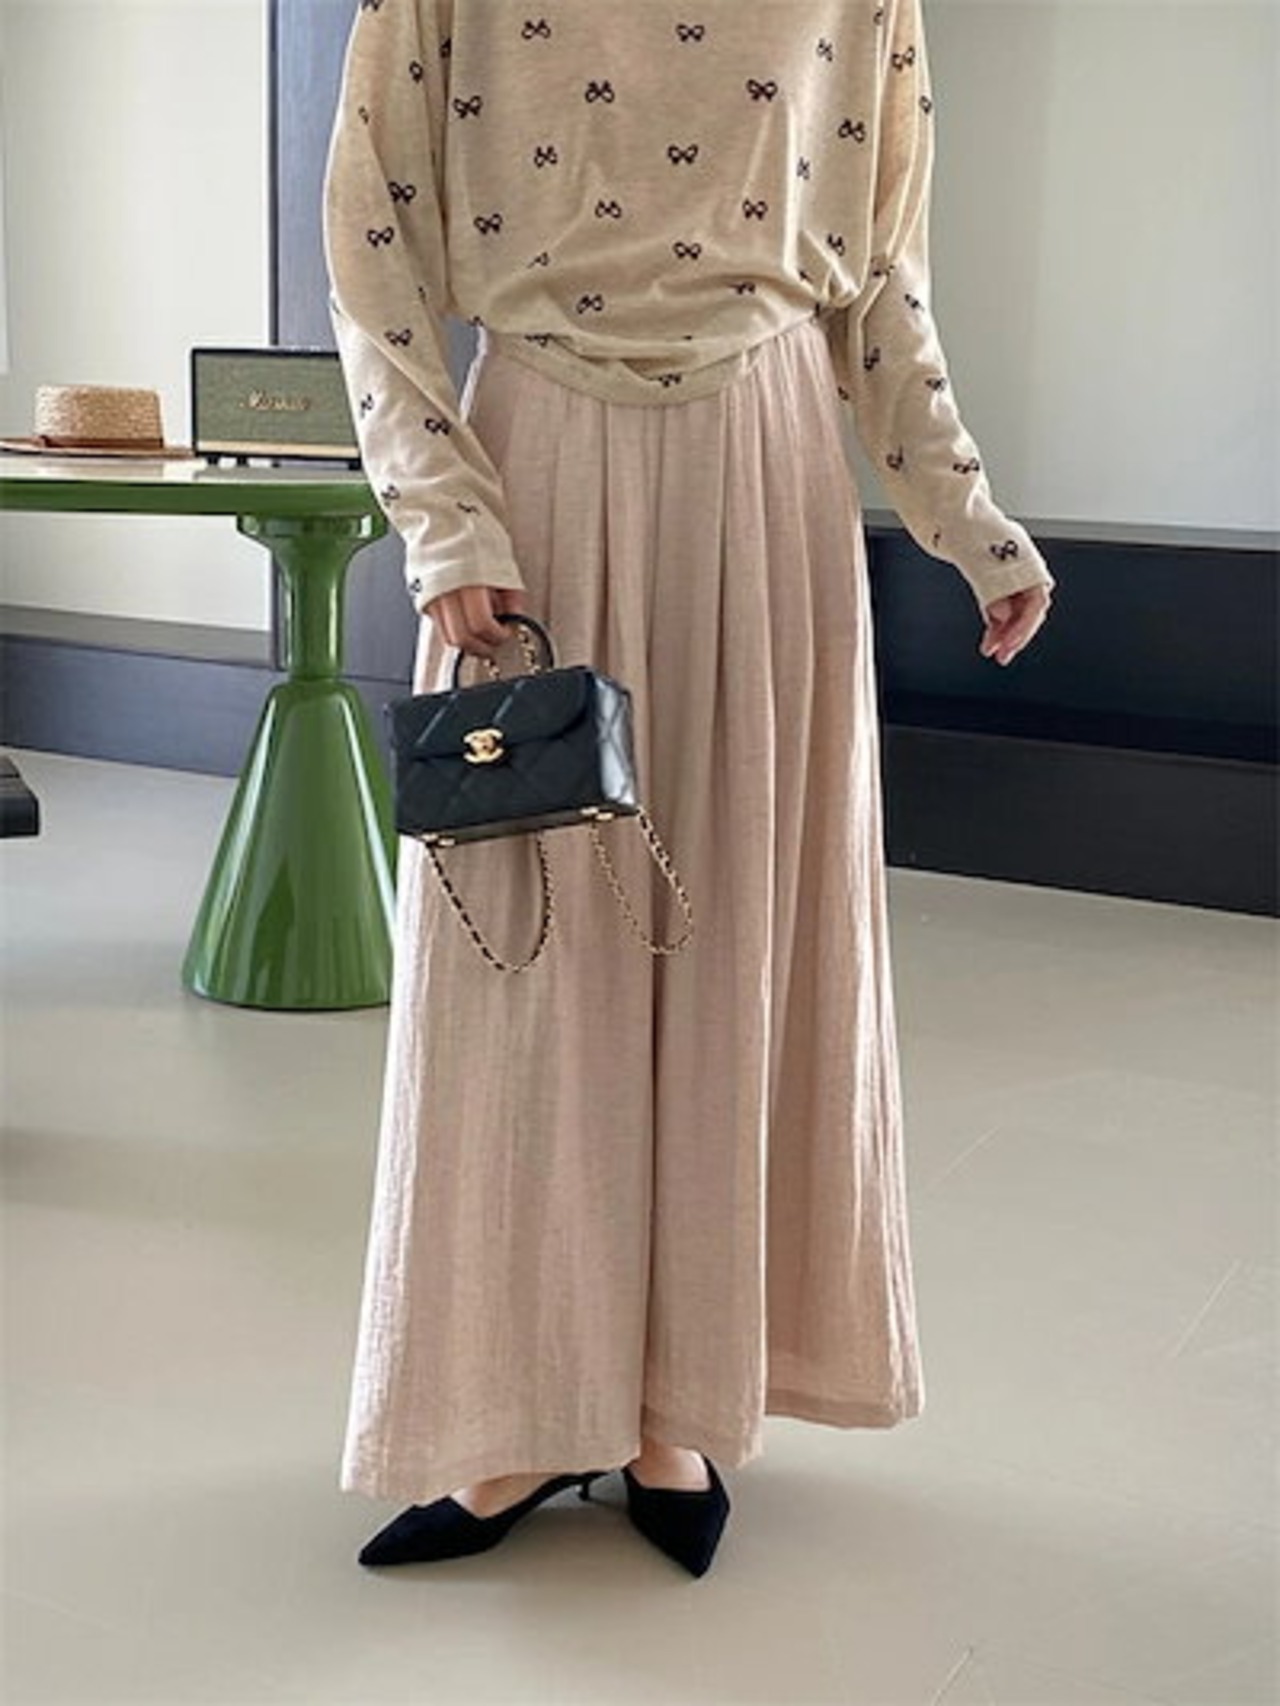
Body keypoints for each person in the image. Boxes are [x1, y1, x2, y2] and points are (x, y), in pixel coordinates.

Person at [322, 0, 1053, 1579]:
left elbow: (881, 274)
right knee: (526, 967)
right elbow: (370, 238)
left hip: (764, 471)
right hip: (533, 478)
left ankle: (679, 1401)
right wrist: (442, 515)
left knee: (727, 944)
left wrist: (966, 515)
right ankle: (518, 1405)